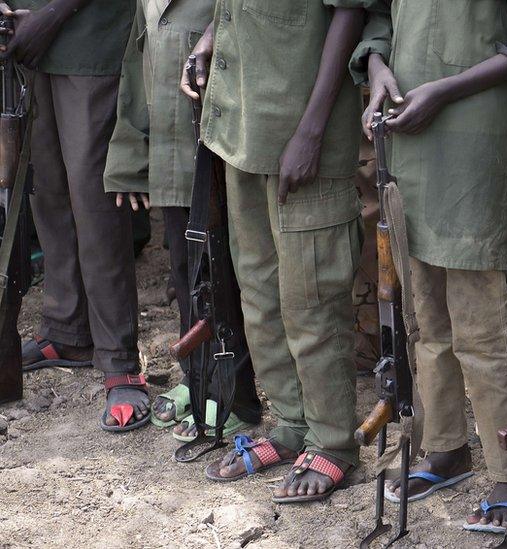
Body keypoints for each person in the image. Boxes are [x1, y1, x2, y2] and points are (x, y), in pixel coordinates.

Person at [351, 0, 507, 533]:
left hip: (476, 137)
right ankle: (445, 448)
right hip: (409, 139)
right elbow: (379, 18)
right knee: (422, 310)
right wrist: (379, 70)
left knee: (478, 319)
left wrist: (445, 90)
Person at [179, 0, 369, 504]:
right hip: (243, 129)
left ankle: (332, 439)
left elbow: (349, 13)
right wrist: (208, 41)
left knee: (311, 295)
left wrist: (311, 131)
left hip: (304, 134)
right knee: (259, 292)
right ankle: (290, 425)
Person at [103, 0, 262, 440]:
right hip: (171, 161)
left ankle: (236, 393)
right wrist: (128, 156)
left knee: (226, 278)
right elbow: (136, 70)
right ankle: (200, 379)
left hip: (224, 156)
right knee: (187, 276)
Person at [1, 0, 147, 432]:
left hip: (87, 35)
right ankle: (67, 329)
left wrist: (51, 15)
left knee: (94, 200)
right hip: (24, 39)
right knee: (46, 193)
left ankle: (119, 360)